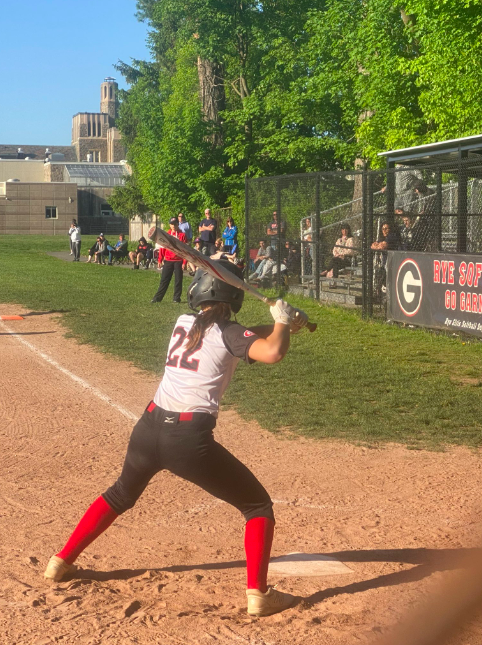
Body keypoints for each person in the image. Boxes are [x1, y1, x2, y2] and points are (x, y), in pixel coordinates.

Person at [43, 261, 308, 618]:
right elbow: (270, 351)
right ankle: (258, 594)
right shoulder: (229, 333)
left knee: (120, 494)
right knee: (257, 506)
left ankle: (61, 562)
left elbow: (242, 339)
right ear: (234, 295)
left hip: (148, 429)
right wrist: (280, 323)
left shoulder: (184, 324)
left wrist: (286, 326)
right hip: (188, 441)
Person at [151, 218, 187, 303]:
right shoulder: (167, 234)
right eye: (172, 224)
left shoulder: (182, 235)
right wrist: (160, 260)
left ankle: (176, 298)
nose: (173, 226)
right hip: (168, 260)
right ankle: (157, 298)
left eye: (175, 224)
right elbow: (163, 247)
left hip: (178, 260)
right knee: (164, 279)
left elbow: (185, 250)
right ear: (170, 225)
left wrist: (185, 262)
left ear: (178, 224)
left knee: (178, 280)